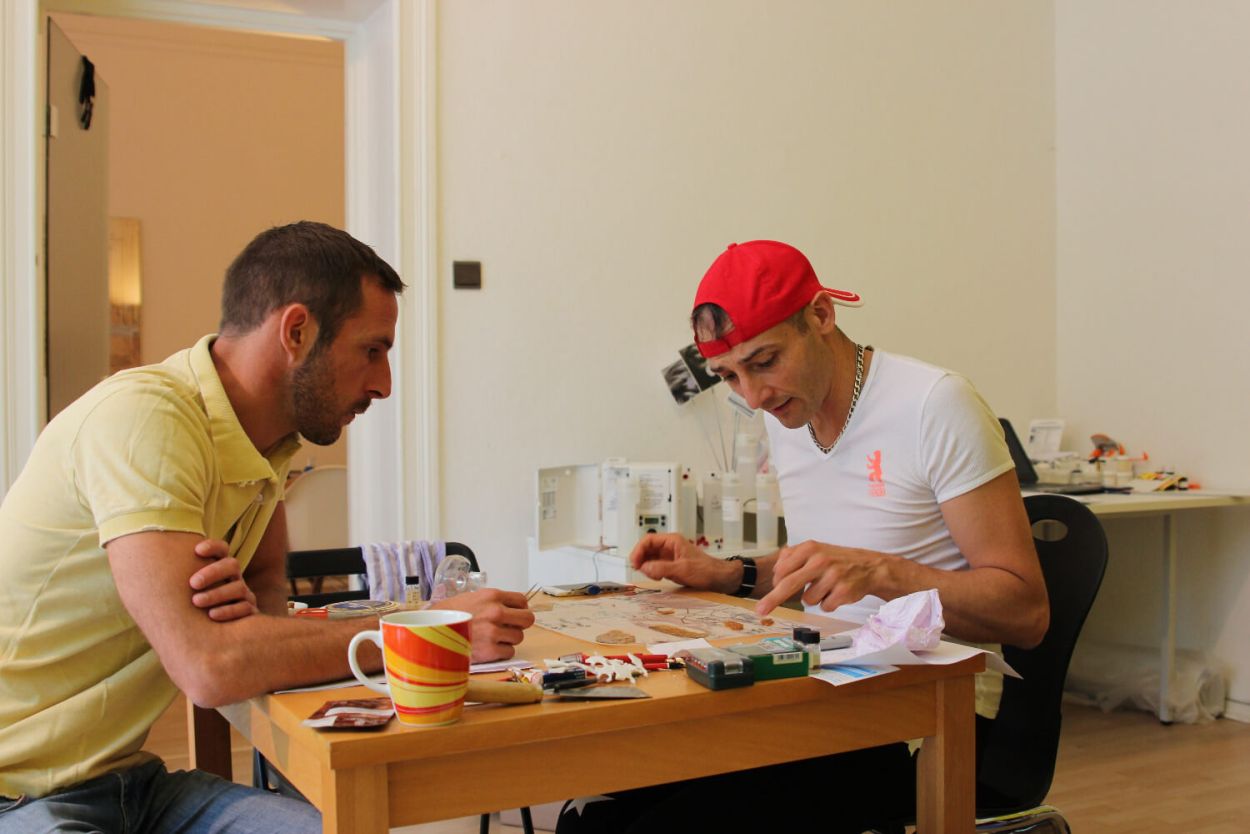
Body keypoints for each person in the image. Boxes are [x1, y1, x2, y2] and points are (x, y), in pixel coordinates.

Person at [0, 221, 535, 833]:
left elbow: (264, 601)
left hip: (133, 786)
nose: (384, 384)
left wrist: (246, 636)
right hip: (17, 796)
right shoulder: (145, 419)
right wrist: (430, 633)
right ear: (297, 331)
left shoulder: (265, 444)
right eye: (372, 350)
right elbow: (211, 667)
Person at [558, 240, 1049, 833]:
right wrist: (730, 573)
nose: (753, 396)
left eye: (765, 362)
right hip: (825, 688)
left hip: (933, 709)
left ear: (821, 315)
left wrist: (883, 573)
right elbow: (823, 564)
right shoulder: (787, 415)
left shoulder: (935, 405)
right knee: (593, 811)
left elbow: (1026, 612)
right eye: (729, 376)